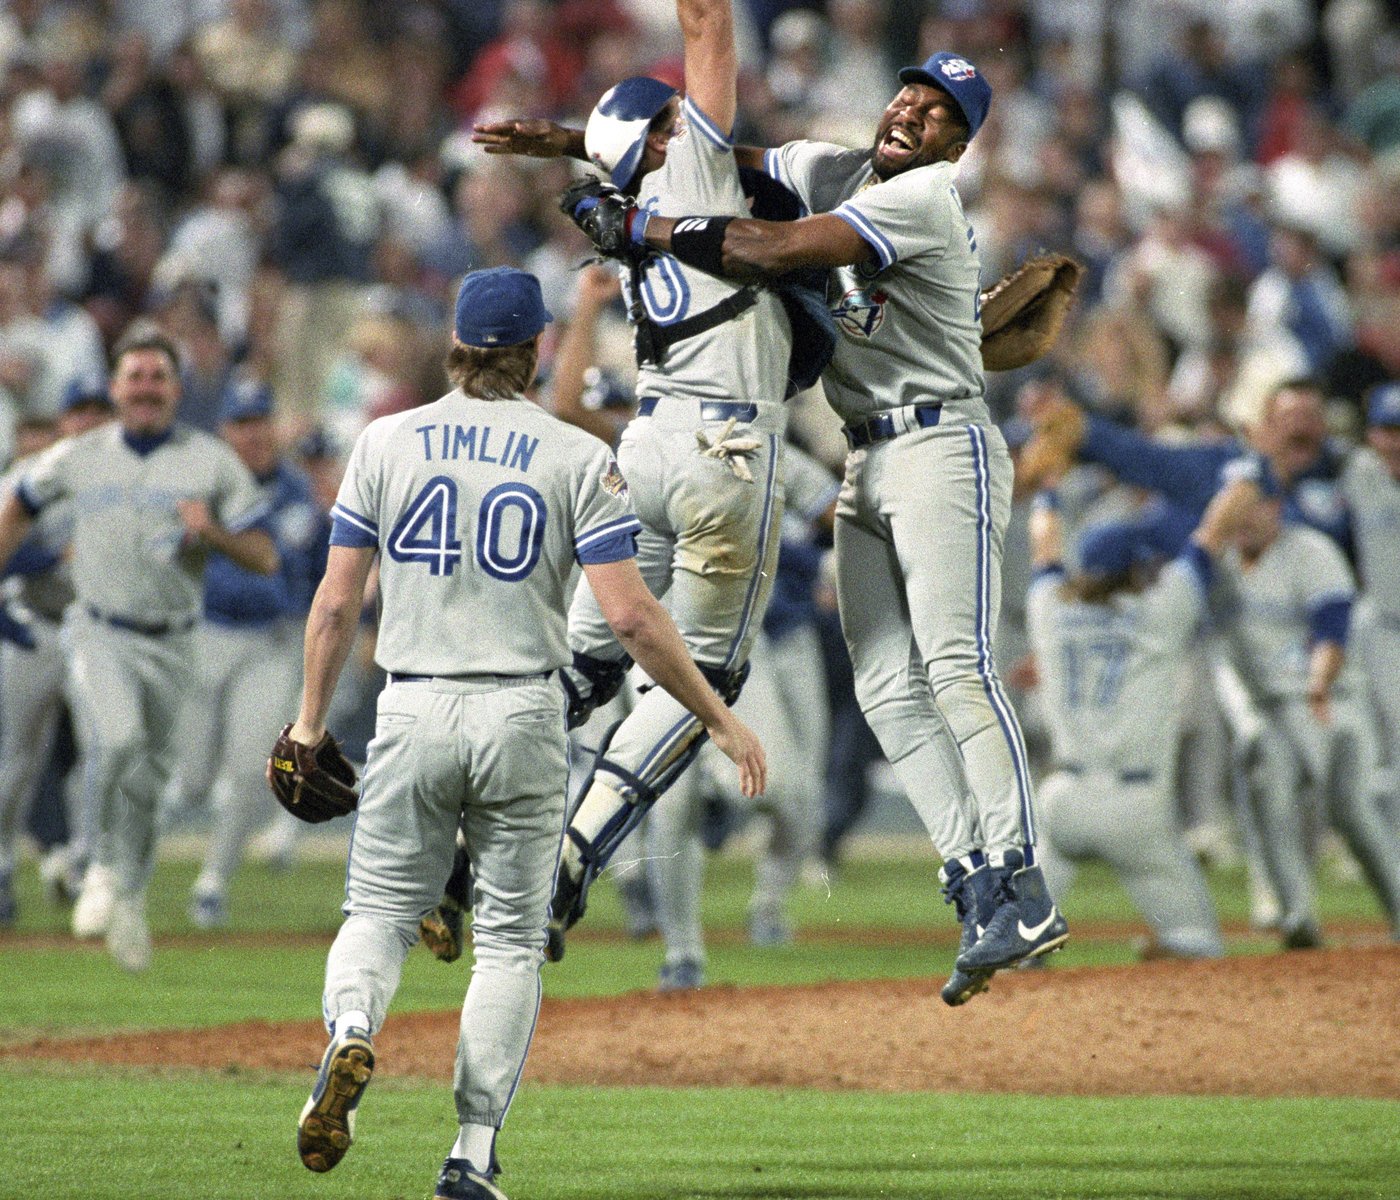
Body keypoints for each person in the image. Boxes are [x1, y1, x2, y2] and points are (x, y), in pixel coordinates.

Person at [566, 50, 1068, 1001]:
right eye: (909, 94)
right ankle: (974, 880)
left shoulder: (921, 199)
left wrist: (633, 224)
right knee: (884, 687)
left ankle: (1025, 880)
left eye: (939, 113)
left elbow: (766, 250)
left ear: (959, 145)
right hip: (868, 454)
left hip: (941, 442)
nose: (913, 113)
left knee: (954, 664)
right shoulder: (836, 169)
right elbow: (735, 158)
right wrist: (571, 144)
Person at [290, 267, 765, 1199]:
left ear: (457, 345)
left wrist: (309, 721)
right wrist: (714, 715)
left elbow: (337, 601)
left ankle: (351, 1031)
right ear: (538, 348)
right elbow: (629, 619)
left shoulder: (387, 440)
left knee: (380, 917)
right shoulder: (575, 457)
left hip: (412, 702)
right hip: (523, 711)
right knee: (509, 943)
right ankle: (469, 1153)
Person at [470, 0, 800, 972]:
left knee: (585, 670)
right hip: (724, 445)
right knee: (708, 673)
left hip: (645, 445)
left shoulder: (617, 211)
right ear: (660, 140)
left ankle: (463, 841)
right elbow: (705, 25)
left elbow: (611, 168)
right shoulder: (692, 169)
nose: (685, 122)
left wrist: (577, 144)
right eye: (665, 121)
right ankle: (565, 865)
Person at [0, 329, 277, 970]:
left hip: (177, 638)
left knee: (152, 779)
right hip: (98, 627)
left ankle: (130, 891)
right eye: (135, 376)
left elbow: (264, 556)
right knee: (117, 741)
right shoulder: (77, 455)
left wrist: (212, 534)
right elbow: (16, 504)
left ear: (177, 390)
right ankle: (97, 866)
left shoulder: (210, 461)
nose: (146, 387)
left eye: (158, 376)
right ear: (116, 387)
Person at [1024, 484, 1259, 960]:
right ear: (1134, 571)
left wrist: (1047, 493)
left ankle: (1025, 952)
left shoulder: (1049, 609)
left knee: (1020, 940)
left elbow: (1044, 547)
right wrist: (1246, 478)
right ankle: (1178, 951)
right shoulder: (1159, 613)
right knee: (1200, 948)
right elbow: (1212, 535)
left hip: (1061, 802)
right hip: (1135, 808)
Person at [165, 378, 329, 928]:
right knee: (189, 780)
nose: (253, 433)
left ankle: (213, 880)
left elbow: (304, 570)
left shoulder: (294, 491)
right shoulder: (199, 486)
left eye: (260, 421)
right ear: (224, 432)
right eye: (241, 423)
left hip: (270, 640)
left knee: (251, 767)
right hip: (205, 635)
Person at [1214, 478, 1400, 949]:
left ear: (1276, 506)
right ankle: (1297, 919)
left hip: (1330, 702)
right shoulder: (1222, 566)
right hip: (1273, 709)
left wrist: (1318, 681)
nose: (1244, 515)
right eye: (1234, 504)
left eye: (1253, 504)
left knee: (1352, 810)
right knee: (1270, 797)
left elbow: (1333, 628)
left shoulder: (1311, 551)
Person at [0, 381, 115, 926]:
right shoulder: (29, 477)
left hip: (95, 629)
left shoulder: (124, 475)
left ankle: (84, 861)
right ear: (64, 421)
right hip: (33, 625)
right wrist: (48, 555)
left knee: (100, 745)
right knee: (15, 758)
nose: (88, 422)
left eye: (98, 412)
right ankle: (2, 861)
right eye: (78, 412)